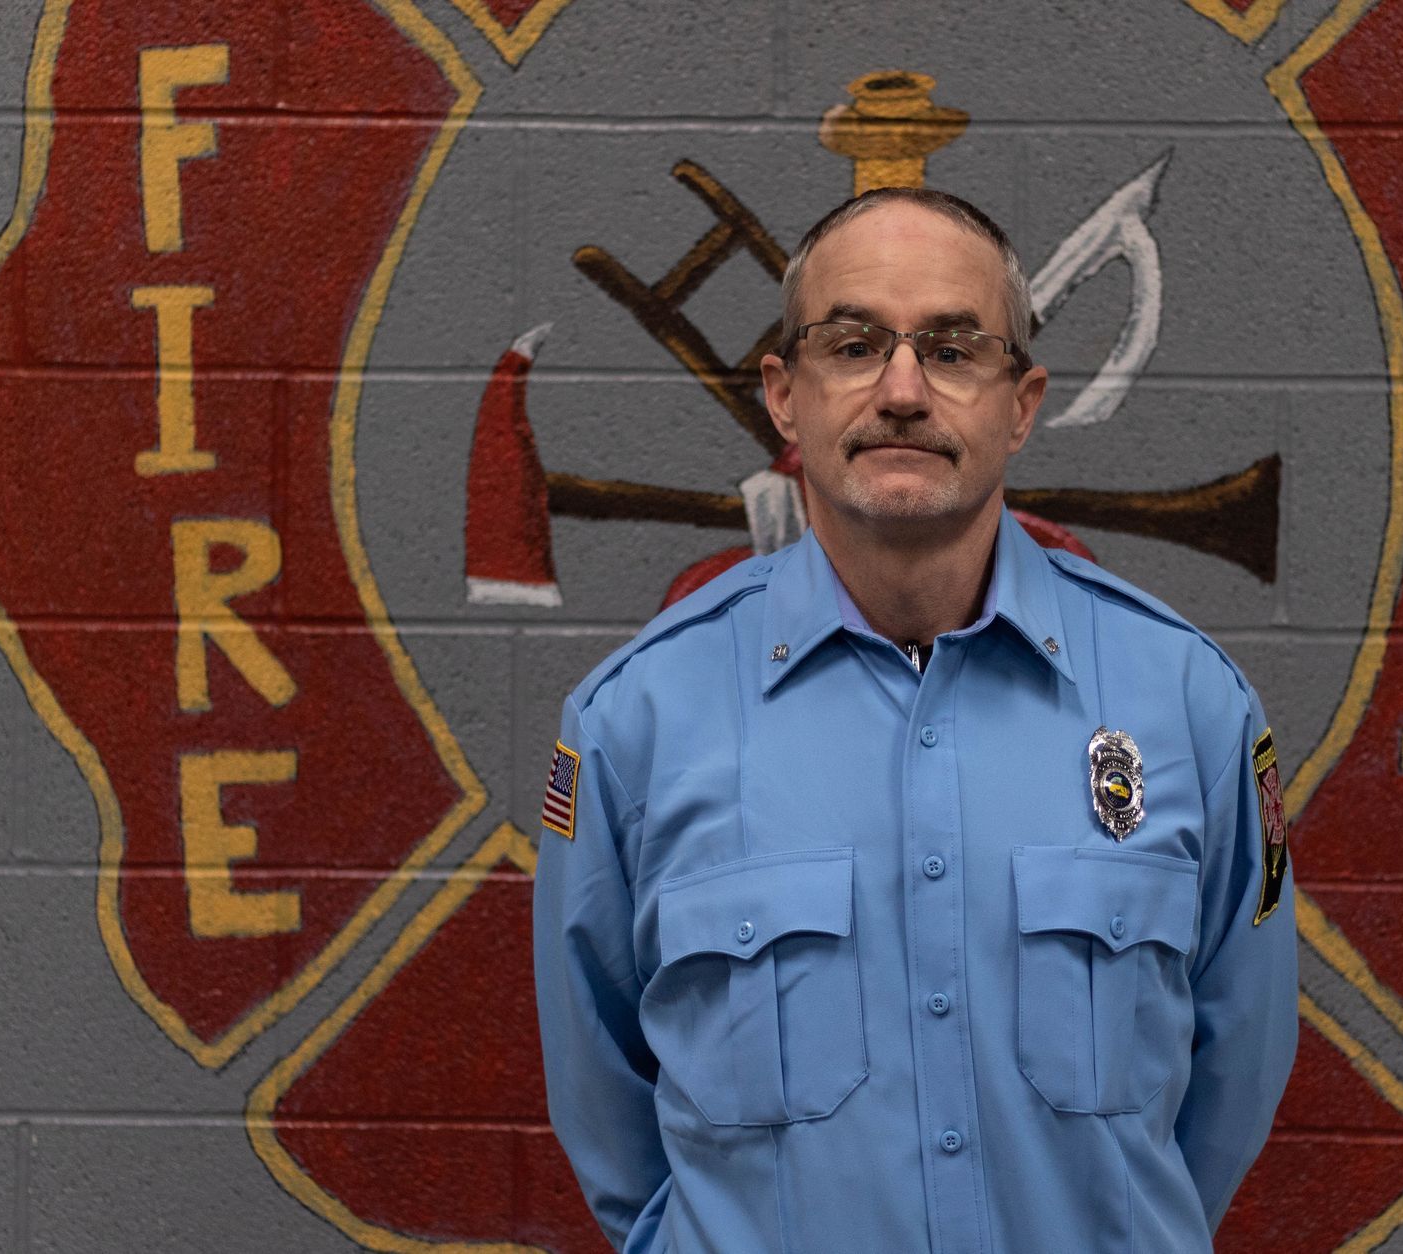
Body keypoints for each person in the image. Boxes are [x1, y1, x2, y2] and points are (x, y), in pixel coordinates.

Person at [533, 187, 1298, 1254]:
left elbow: (1236, 1073)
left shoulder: (1188, 704)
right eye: (852, 347)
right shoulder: (633, 724)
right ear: (785, 397)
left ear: (1021, 404)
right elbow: (605, 1108)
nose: (902, 392)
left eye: (952, 349)